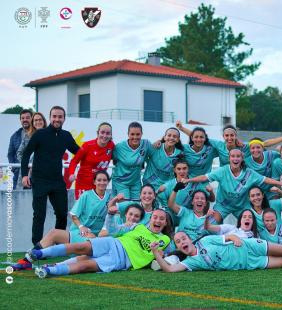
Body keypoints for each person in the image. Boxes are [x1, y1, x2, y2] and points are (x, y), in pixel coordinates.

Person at [12, 171, 111, 271]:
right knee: (54, 233)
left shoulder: (111, 198)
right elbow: (73, 214)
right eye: (99, 180)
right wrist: (81, 227)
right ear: (94, 182)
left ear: (108, 182)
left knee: (91, 252)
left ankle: (56, 266)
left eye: (104, 180)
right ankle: (26, 261)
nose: (102, 182)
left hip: (96, 239)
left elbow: (119, 213)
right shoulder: (86, 195)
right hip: (80, 233)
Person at [28, 209, 171, 278]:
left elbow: (169, 256)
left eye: (161, 219)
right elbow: (113, 230)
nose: (158, 220)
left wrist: (159, 255)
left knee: (84, 265)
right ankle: (39, 253)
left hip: (121, 260)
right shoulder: (137, 226)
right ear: (150, 218)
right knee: (80, 247)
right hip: (113, 243)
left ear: (165, 223)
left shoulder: (165, 239)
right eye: (155, 217)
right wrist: (110, 214)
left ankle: (48, 271)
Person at [21, 106, 80, 246]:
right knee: (39, 215)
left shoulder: (66, 136)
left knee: (61, 214)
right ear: (50, 117)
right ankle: (37, 247)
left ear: (64, 118)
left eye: (60, 117)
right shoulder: (40, 134)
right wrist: (24, 175)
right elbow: (26, 154)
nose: (57, 119)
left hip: (57, 181)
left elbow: (80, 152)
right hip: (39, 180)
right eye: (54, 116)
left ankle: (58, 244)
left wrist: (98, 149)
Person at [183, 148, 282, 223]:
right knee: (211, 223)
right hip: (223, 205)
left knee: (251, 224)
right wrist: (189, 180)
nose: (235, 158)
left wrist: (280, 183)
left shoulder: (249, 173)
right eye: (233, 156)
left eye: (238, 156)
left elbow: (265, 179)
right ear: (229, 158)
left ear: (242, 158)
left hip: (242, 206)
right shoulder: (223, 171)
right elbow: (204, 177)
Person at [150, 231, 282, 272]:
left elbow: (228, 236)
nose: (182, 241)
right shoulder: (191, 263)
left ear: (190, 239)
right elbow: (170, 270)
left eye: (183, 238)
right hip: (248, 263)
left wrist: (236, 238)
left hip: (249, 246)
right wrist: (156, 253)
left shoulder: (205, 240)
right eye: (178, 241)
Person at [176, 120, 282, 167]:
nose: (229, 137)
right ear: (223, 136)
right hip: (225, 179)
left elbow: (265, 144)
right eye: (227, 135)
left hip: (241, 180)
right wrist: (181, 128)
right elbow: (198, 137)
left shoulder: (244, 147)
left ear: (236, 136)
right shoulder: (219, 145)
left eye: (232, 135)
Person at [68, 122, 114, 199]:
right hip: (83, 184)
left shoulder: (111, 146)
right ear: (97, 133)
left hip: (100, 185)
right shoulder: (87, 145)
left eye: (108, 133)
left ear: (110, 135)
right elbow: (74, 161)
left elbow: (117, 159)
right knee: (83, 210)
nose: (105, 136)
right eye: (102, 132)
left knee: (97, 210)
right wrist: (71, 173)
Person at [111, 122, 152, 199]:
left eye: (138, 134)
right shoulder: (119, 147)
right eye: (132, 134)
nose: (135, 137)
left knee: (137, 207)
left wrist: (160, 141)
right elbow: (112, 158)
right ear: (128, 134)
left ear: (141, 134)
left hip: (136, 182)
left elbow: (153, 155)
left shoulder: (146, 144)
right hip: (121, 182)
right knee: (125, 207)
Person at [16, 112, 47, 189]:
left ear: (44, 121)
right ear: (32, 123)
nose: (38, 122)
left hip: (44, 173)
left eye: (40, 120)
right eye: (35, 120)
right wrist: (27, 165)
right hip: (27, 173)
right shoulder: (27, 135)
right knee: (24, 196)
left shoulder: (49, 135)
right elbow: (19, 153)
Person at [7, 109, 33, 189]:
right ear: (20, 120)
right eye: (23, 118)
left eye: (27, 117)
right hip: (19, 175)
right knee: (18, 198)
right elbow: (10, 154)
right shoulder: (15, 136)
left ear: (32, 118)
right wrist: (15, 168)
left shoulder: (38, 133)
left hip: (35, 173)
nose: (25, 120)